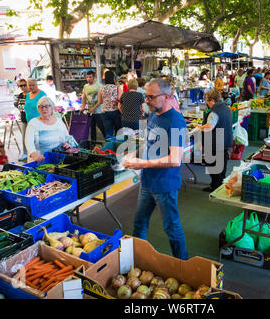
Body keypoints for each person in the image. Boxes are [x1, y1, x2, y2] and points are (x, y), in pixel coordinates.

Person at [122, 78, 189, 260]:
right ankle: (137, 260)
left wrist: (141, 164)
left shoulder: (176, 121)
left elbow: (175, 159)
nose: (147, 101)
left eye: (151, 97)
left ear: (166, 96)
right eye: (146, 96)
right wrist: (134, 153)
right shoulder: (153, 115)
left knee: (172, 228)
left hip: (165, 185)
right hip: (148, 182)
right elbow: (149, 143)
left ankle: (183, 266)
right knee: (139, 223)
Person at [195, 89, 233, 192]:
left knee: (213, 165)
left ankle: (214, 186)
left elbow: (209, 127)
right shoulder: (226, 108)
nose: (206, 103)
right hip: (225, 140)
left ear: (212, 100)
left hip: (215, 142)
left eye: (207, 100)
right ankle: (220, 184)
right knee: (222, 164)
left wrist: (198, 127)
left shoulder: (214, 112)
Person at [25, 96, 70, 162]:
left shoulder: (59, 122)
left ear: (52, 108)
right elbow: (28, 142)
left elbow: (67, 137)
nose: (44, 109)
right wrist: (34, 154)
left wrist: (66, 143)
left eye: (47, 106)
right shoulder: (33, 123)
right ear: (38, 109)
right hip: (40, 159)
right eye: (41, 106)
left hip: (57, 158)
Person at [94, 70, 122, 138]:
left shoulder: (102, 89)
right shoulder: (117, 88)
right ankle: (117, 147)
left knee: (108, 133)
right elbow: (120, 99)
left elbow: (100, 101)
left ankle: (109, 147)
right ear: (113, 78)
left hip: (105, 112)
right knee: (118, 132)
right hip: (115, 111)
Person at [82, 70, 105, 142]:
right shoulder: (85, 86)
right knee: (92, 129)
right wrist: (83, 106)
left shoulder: (100, 86)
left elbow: (101, 100)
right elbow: (84, 96)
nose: (88, 78)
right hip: (90, 111)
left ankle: (108, 142)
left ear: (94, 77)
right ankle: (93, 143)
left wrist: (93, 108)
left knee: (102, 128)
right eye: (87, 77)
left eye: (90, 77)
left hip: (98, 111)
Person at [14, 79, 29, 161]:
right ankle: (25, 153)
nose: (23, 87)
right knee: (24, 137)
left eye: (24, 85)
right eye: (21, 86)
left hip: (32, 119)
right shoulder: (20, 95)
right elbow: (18, 105)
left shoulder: (31, 94)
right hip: (24, 119)